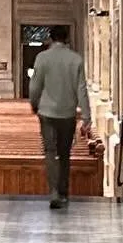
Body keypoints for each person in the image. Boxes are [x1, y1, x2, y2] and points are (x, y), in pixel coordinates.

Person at [28, 25, 91, 210]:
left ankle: (54, 191)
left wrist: (34, 103)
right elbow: (81, 88)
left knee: (49, 151)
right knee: (64, 154)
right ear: (67, 39)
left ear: (50, 38)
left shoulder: (42, 58)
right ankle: (63, 191)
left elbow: (35, 85)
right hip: (67, 113)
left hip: (47, 112)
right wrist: (86, 115)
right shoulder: (76, 59)